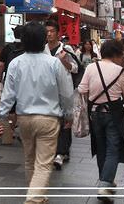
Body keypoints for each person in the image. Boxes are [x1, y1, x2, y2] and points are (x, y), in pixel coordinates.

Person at [0, 22, 73, 203]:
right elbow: (67, 93)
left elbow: (8, 95)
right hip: (49, 119)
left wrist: (2, 117)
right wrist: (68, 115)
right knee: (44, 163)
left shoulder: (15, 63)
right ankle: (33, 199)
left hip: (24, 119)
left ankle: (38, 197)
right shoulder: (54, 63)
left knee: (30, 160)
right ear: (42, 39)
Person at [78, 39, 124, 202]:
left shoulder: (91, 67)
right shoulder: (120, 71)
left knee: (101, 148)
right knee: (113, 148)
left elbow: (82, 90)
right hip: (114, 113)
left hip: (95, 114)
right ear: (116, 54)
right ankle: (104, 184)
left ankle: (106, 180)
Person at [44, 19, 79, 170]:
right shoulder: (40, 49)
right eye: (47, 31)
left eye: (52, 31)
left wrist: (64, 61)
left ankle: (61, 152)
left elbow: (76, 68)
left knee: (65, 119)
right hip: (45, 91)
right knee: (50, 121)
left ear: (58, 33)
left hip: (63, 90)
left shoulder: (67, 50)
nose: (49, 34)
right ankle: (53, 151)